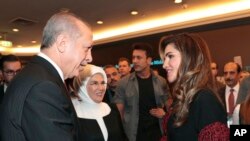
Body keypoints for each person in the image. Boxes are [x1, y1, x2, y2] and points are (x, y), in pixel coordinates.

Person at [0, 11, 93, 141]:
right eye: (86, 48)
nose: (90, 57)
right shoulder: (43, 87)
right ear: (62, 43)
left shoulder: (35, 75)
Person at [159, 33, 229, 141]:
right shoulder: (183, 98)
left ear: (189, 58)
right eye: (165, 58)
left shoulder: (205, 99)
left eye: (170, 56)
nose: (164, 65)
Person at [113, 42, 168, 141]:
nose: (135, 61)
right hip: (133, 136)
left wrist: (165, 114)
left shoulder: (161, 81)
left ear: (149, 60)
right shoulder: (123, 83)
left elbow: (170, 106)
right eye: (133, 57)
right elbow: (118, 113)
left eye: (139, 58)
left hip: (157, 134)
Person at [71, 64, 127, 141]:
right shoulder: (73, 115)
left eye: (103, 83)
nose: (101, 88)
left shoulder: (111, 108)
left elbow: (122, 137)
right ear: (82, 86)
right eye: (95, 83)